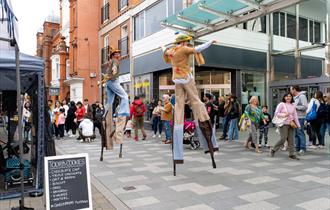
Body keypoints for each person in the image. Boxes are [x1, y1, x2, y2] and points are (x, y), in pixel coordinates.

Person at [162, 34, 218, 167]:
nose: (188, 44)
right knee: (196, 101)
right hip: (186, 78)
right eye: (186, 42)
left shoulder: (172, 50)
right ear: (183, 42)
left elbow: (164, 50)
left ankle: (178, 128)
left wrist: (162, 47)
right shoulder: (183, 49)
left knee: (179, 105)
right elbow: (199, 49)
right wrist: (210, 41)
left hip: (176, 79)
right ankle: (205, 123)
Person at [104, 48, 130, 145]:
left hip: (109, 82)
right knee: (124, 96)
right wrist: (113, 74)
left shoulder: (111, 62)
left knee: (110, 101)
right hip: (113, 81)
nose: (118, 55)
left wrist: (110, 74)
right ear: (113, 56)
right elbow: (114, 69)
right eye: (116, 54)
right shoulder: (115, 61)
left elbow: (110, 71)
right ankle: (123, 111)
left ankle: (105, 115)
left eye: (119, 53)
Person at [270, 93, 300, 160]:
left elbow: (295, 116)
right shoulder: (281, 104)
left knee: (291, 140)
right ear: (284, 97)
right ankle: (273, 150)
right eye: (286, 96)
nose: (288, 97)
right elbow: (276, 113)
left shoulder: (293, 105)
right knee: (283, 138)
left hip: (291, 124)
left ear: (292, 98)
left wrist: (298, 125)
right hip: (283, 124)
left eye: (290, 96)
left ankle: (291, 154)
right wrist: (284, 115)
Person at [290, 85, 308, 155]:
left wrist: (295, 107)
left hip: (300, 117)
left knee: (300, 132)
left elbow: (305, 106)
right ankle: (297, 147)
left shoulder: (302, 96)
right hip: (295, 117)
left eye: (291, 89)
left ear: (294, 89)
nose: (290, 91)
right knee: (296, 133)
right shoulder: (294, 97)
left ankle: (302, 148)